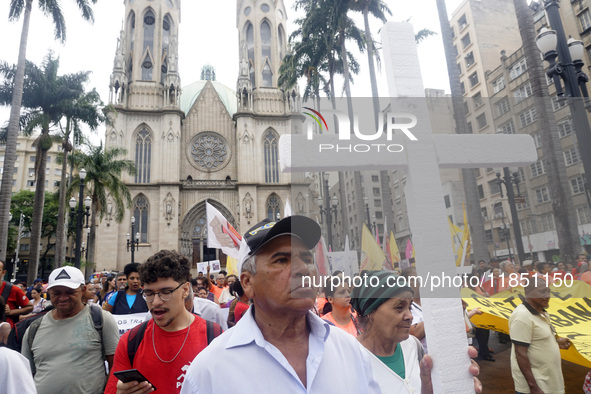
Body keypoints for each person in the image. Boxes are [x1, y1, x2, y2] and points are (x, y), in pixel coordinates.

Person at [181, 216, 382, 393]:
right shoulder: (208, 372)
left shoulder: (350, 351)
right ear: (248, 283)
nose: (303, 269)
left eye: (306, 258)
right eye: (281, 260)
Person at [106, 250, 222, 394]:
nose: (156, 302)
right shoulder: (130, 342)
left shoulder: (216, 338)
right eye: (148, 293)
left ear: (185, 290)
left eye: (166, 292)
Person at [351, 270, 481, 393]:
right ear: (370, 313)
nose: (410, 316)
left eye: (410, 307)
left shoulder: (412, 345)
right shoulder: (351, 359)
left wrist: (456, 378)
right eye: (399, 307)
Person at [21, 266, 120, 394]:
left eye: (69, 292)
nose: (63, 298)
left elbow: (116, 365)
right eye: (56, 293)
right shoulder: (34, 328)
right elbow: (25, 374)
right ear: (49, 292)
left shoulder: (101, 319)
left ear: (83, 290)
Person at [509, 281, 571, 394]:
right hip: (537, 386)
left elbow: (537, 338)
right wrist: (533, 387)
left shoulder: (541, 312)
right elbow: (520, 354)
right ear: (528, 292)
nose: (547, 296)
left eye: (548, 292)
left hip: (548, 382)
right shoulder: (522, 316)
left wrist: (556, 341)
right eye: (542, 292)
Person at [0, 259, 33, 327]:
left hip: (5, 332)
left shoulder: (12, 289)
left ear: (4, 272)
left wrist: (11, 312)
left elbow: (30, 307)